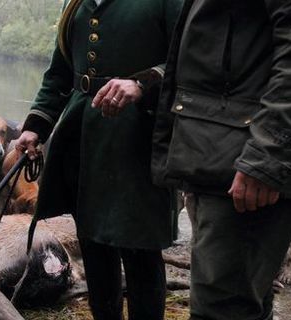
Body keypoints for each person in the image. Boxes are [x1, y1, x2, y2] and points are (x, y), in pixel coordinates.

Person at [151, 0, 291, 319]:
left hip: (245, 159)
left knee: (222, 306)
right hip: (224, 154)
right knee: (240, 301)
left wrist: (267, 155)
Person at [14, 0, 182, 319]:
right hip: (82, 139)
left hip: (140, 138)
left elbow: (189, 58)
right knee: (93, 242)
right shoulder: (76, 2)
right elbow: (60, 73)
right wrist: (36, 127)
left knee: (140, 249)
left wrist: (141, 83)